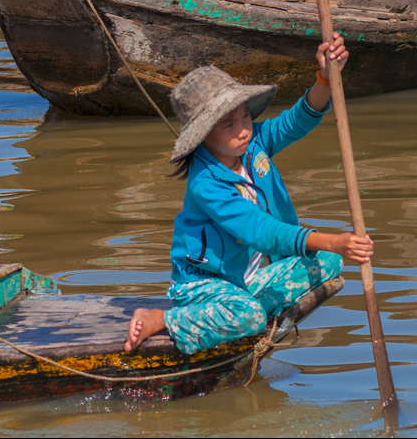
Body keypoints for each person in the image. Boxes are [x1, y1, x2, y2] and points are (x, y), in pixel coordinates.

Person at [124, 33, 373, 353]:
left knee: (328, 262)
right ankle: (165, 318)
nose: (243, 129)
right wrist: (333, 238)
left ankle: (248, 308)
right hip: (207, 284)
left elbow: (295, 122)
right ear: (203, 135)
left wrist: (325, 77)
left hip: (250, 277)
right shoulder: (205, 184)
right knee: (251, 315)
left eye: (245, 117)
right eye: (229, 124)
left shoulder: (253, 143)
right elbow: (260, 231)